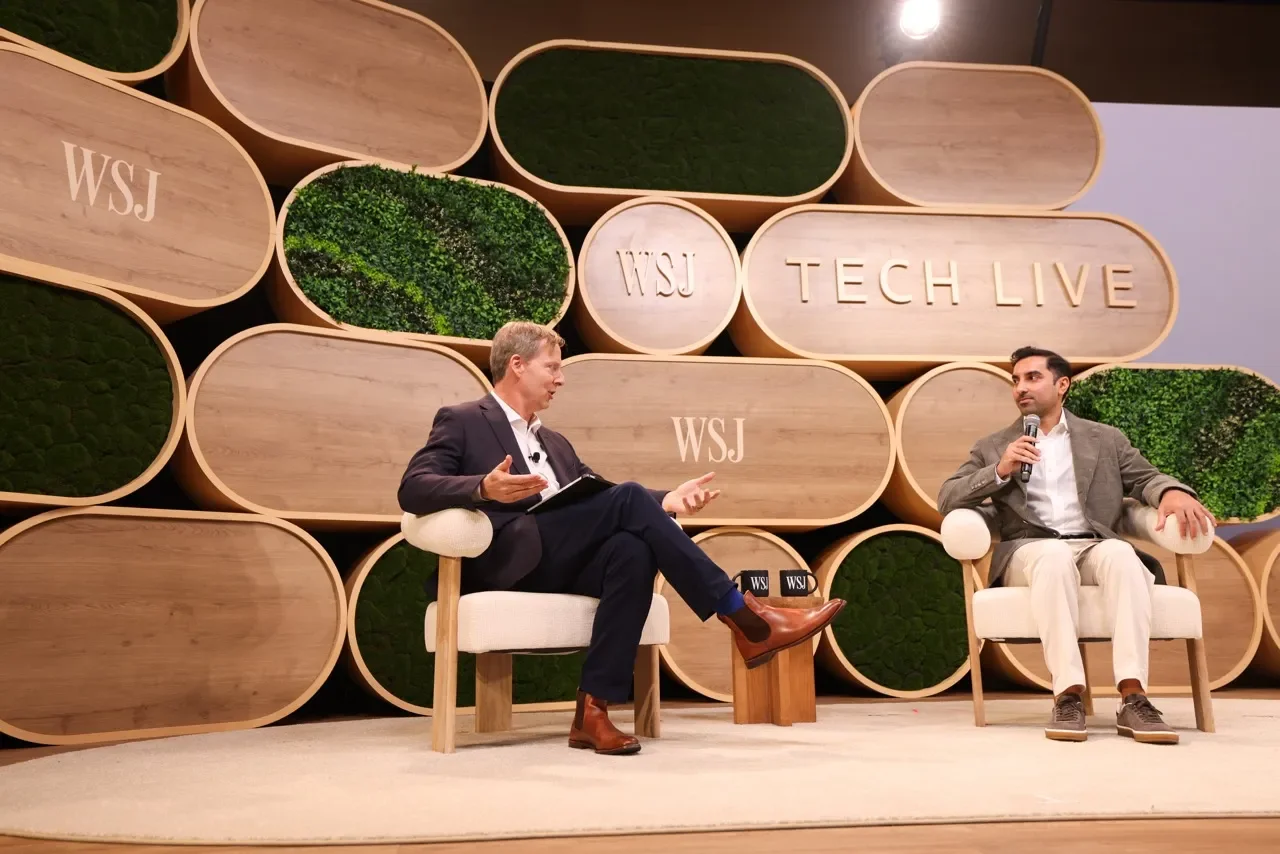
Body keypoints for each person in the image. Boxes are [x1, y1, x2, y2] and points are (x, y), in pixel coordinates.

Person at [398, 322, 845, 755]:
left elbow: (605, 494)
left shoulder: (555, 442)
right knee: (630, 501)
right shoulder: (462, 420)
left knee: (633, 549)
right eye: (552, 367)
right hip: (511, 559)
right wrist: (481, 487)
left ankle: (591, 713)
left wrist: (668, 499)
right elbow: (413, 487)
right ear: (517, 365)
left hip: (562, 558)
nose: (561, 379)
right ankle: (743, 616)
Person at [938, 346, 1215, 745]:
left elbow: (1146, 478)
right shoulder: (995, 444)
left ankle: (1133, 697)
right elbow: (947, 499)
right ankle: (1067, 695)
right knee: (1052, 558)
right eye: (1016, 380)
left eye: (1032, 377)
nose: (1021, 388)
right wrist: (999, 470)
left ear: (1062, 384)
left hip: (1092, 544)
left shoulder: (1104, 439)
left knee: (1121, 555)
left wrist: (1171, 492)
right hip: (1030, 550)